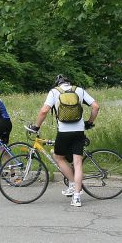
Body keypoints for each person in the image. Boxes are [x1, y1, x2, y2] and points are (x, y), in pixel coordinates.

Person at [30, 75, 100, 208]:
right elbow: (96, 107)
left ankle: (73, 184)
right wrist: (89, 123)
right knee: (78, 163)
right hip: (79, 131)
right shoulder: (79, 90)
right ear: (69, 83)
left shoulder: (54, 92)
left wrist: (36, 126)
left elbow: (44, 110)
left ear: (57, 83)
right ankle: (77, 197)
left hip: (63, 132)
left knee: (58, 157)